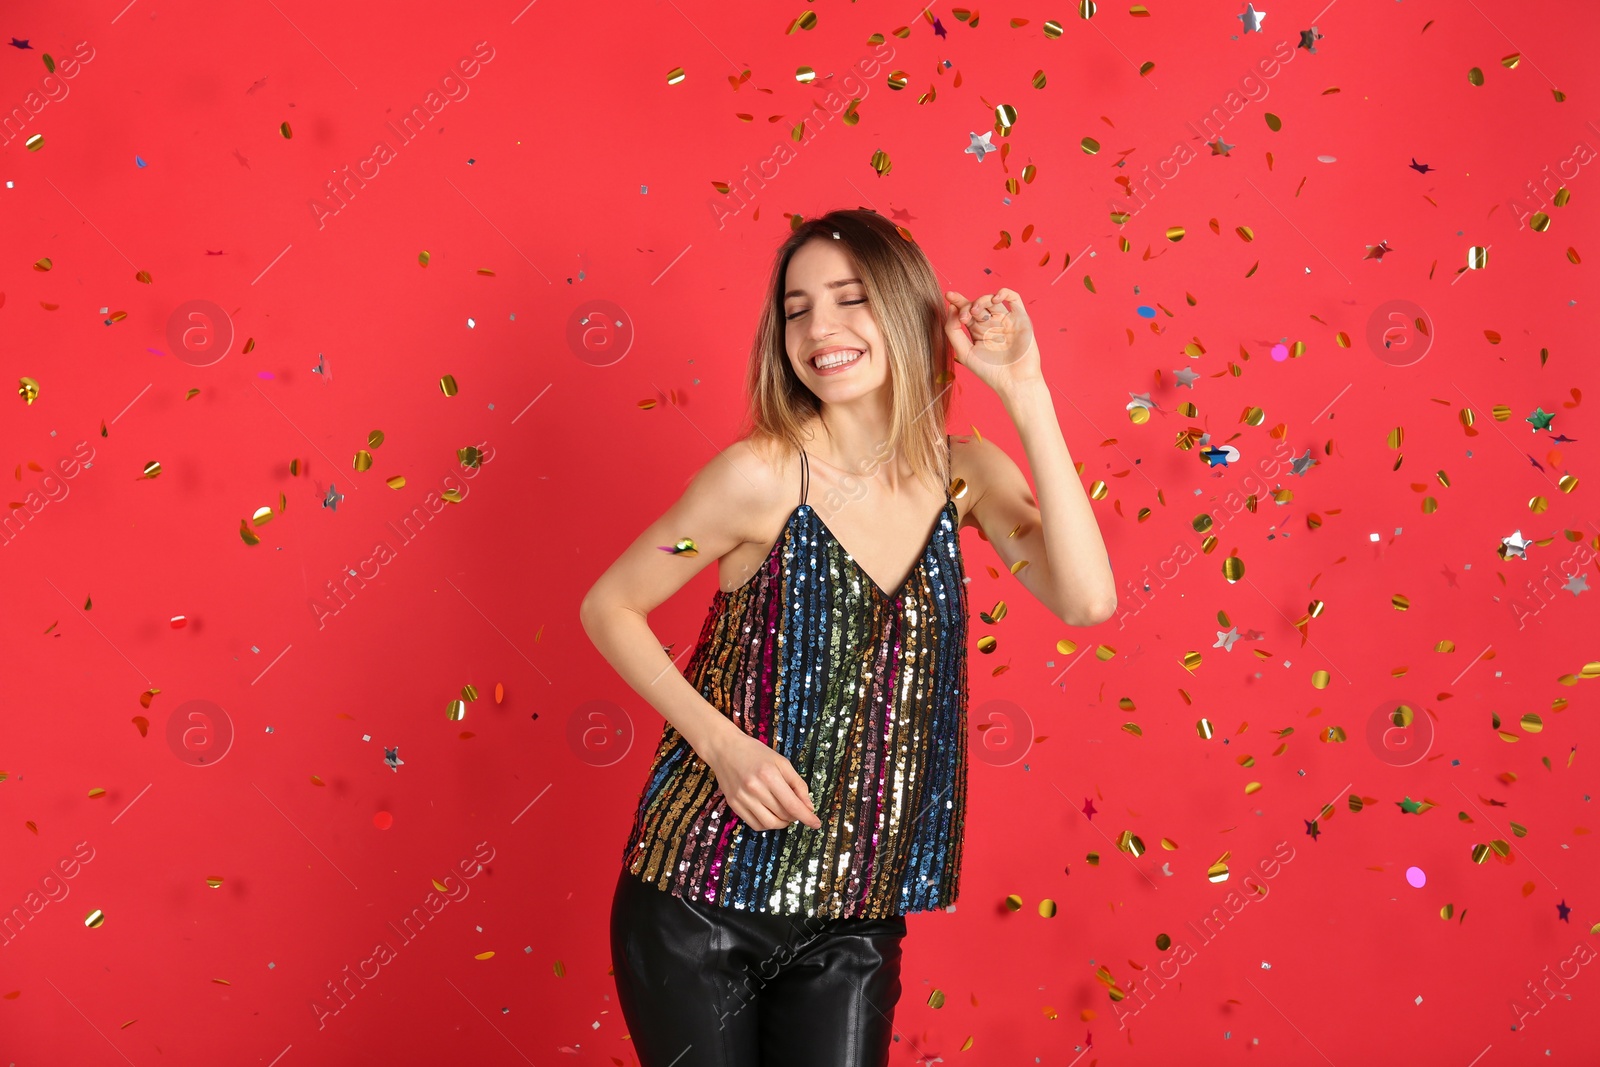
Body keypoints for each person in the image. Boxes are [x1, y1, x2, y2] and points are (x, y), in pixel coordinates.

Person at [579, 207, 1116, 1066]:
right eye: (796, 308)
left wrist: (1025, 391)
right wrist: (721, 745)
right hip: (697, 902)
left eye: (850, 298)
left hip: (855, 917)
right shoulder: (758, 476)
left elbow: (1087, 599)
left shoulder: (965, 476)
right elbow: (611, 604)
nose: (818, 329)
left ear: (906, 309)